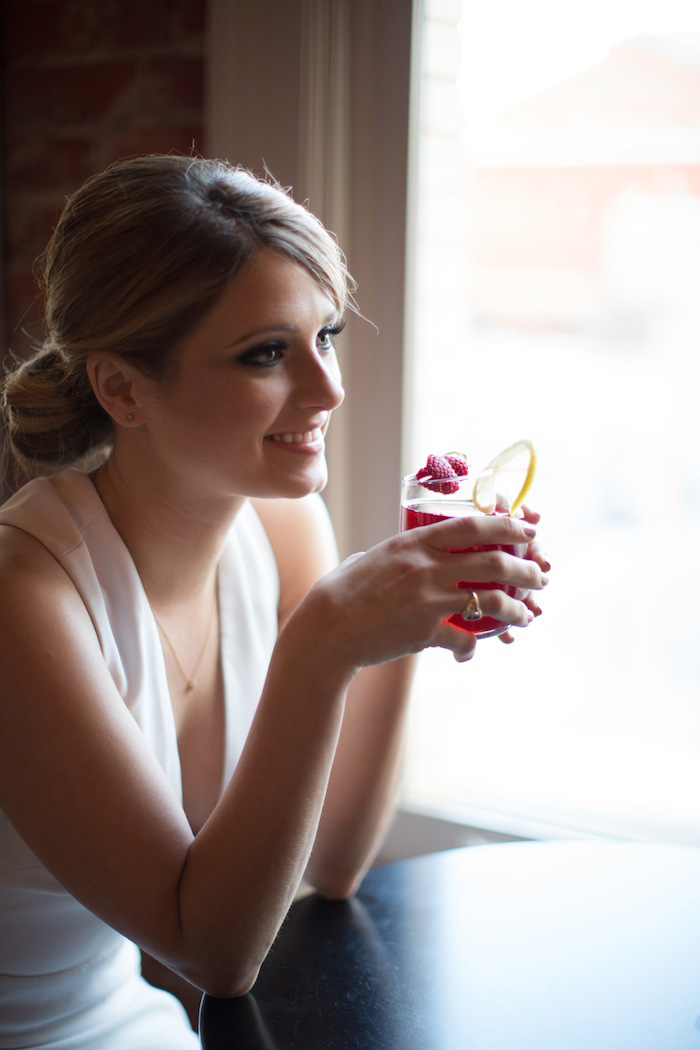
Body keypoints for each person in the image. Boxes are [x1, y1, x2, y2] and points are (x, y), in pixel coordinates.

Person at [0, 155, 548, 1049]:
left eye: (326, 335)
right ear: (122, 388)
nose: (327, 389)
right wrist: (326, 641)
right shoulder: (25, 599)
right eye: (266, 353)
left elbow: (333, 863)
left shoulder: (283, 530)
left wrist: (410, 622)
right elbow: (210, 953)